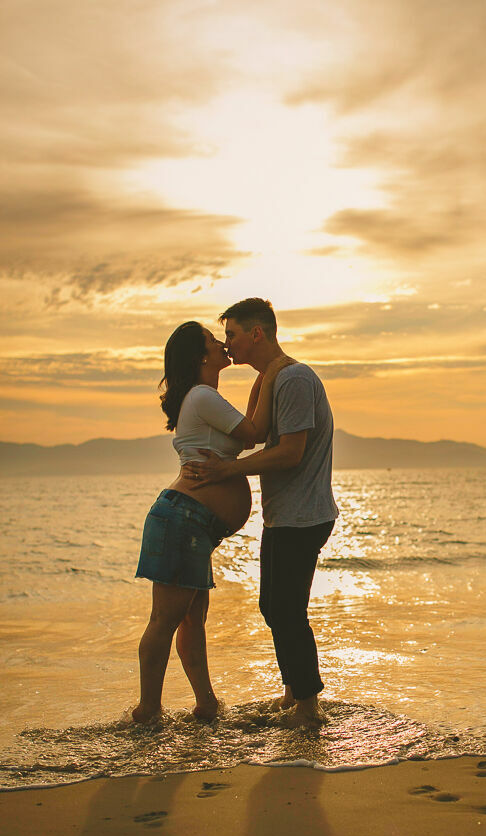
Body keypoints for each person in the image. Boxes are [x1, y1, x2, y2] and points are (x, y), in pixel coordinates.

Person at [184, 298, 338, 727]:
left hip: (303, 515)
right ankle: (294, 694)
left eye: (232, 334)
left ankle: (308, 707)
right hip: (286, 514)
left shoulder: (294, 378)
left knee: (287, 610)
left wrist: (226, 470)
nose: (227, 343)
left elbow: (290, 453)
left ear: (257, 334)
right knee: (274, 606)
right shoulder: (277, 376)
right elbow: (255, 432)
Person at [132, 319, 290, 724]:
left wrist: (263, 375)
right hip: (182, 520)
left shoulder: (205, 397)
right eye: (211, 339)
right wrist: (271, 371)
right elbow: (255, 431)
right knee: (165, 619)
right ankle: (147, 710)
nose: (222, 343)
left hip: (193, 526)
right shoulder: (202, 396)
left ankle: (206, 704)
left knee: (191, 619)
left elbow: (249, 429)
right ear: (201, 355)